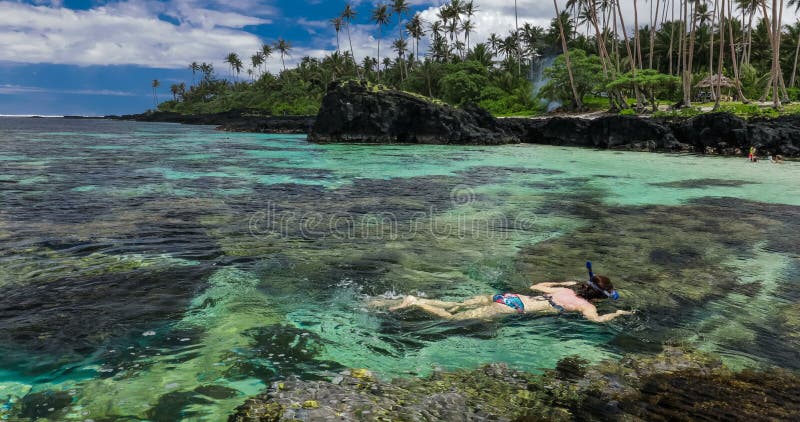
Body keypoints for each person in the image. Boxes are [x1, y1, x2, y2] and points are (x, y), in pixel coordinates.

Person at [381, 274, 633, 323]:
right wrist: (619, 313)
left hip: (508, 297)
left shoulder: (564, 291)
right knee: (452, 319)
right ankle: (417, 303)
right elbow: (597, 321)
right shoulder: (584, 305)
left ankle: (409, 298)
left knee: (451, 305)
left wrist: (563, 282)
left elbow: (535, 285)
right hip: (514, 309)